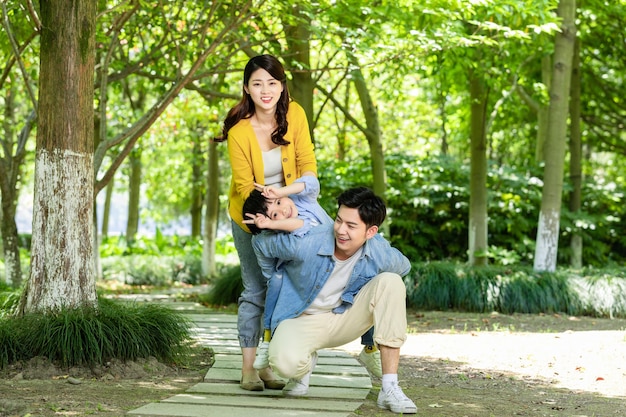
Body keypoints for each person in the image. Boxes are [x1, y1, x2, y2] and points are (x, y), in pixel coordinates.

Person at [251, 187, 417, 414]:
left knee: (391, 282)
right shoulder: (307, 242)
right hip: (303, 318)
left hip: (345, 317)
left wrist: (376, 246)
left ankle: (389, 387)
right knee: (284, 363)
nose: (340, 230)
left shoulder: (376, 248)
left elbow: (404, 266)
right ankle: (303, 370)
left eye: (351, 226)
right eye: (339, 220)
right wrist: (274, 277)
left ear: (370, 231)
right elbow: (260, 243)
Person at [214, 54, 317, 392]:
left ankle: (270, 364)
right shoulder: (239, 132)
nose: (265, 90)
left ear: (281, 86)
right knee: (256, 289)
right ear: (247, 89)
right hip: (251, 218)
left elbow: (307, 164)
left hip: (293, 211)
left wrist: (288, 202)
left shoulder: (296, 114)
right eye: (257, 84)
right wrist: (269, 212)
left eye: (272, 83)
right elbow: (244, 187)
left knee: (286, 287)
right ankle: (247, 369)